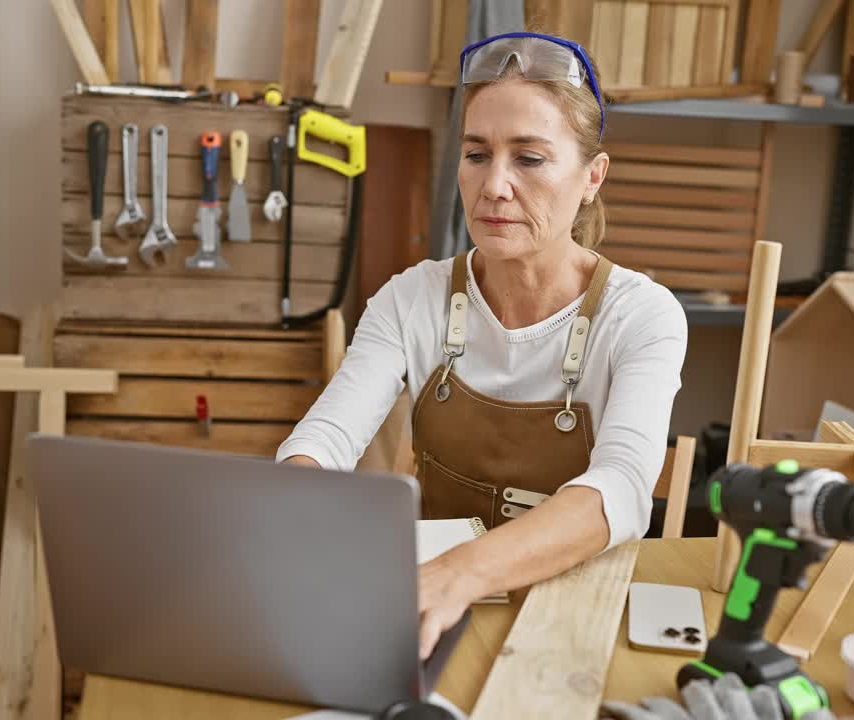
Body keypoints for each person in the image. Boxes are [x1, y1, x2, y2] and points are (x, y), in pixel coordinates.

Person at [277, 31, 688, 658]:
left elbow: (623, 486)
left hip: (570, 619)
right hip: (427, 611)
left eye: (529, 158)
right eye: (476, 154)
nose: (494, 186)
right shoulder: (411, 299)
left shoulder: (641, 316)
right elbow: (326, 441)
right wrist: (289, 505)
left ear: (591, 177)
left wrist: (459, 572)